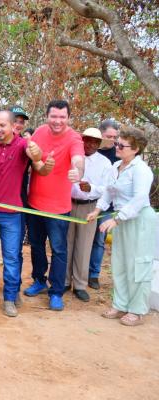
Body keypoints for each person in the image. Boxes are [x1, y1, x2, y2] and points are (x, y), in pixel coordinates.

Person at [0, 110, 50, 317]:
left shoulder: (23, 145)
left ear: (14, 126)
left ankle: (10, 298)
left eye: (2, 125)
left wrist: (38, 153)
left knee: (12, 258)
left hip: (12, 214)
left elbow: (37, 160)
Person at [87, 127, 156, 326]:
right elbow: (108, 192)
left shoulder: (141, 170)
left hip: (139, 219)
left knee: (138, 265)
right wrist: (98, 210)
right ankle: (120, 303)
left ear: (135, 149)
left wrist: (117, 219)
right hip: (121, 219)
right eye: (117, 142)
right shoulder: (116, 165)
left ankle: (137, 310)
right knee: (120, 263)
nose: (116, 147)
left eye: (121, 145)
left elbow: (140, 198)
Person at [23, 100, 85, 312]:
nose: (58, 121)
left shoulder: (74, 138)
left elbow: (78, 159)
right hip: (35, 204)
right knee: (37, 246)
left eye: (62, 117)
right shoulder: (40, 132)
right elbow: (33, 157)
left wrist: (78, 171)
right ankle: (39, 280)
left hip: (59, 208)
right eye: (54, 116)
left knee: (58, 250)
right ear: (47, 116)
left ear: (68, 118)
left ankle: (56, 291)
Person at [65, 128, 112, 302]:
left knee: (84, 246)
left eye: (95, 142)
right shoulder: (72, 156)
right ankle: (64, 280)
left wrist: (91, 188)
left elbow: (107, 189)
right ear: (82, 140)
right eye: (88, 140)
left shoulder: (105, 163)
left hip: (90, 207)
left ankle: (79, 285)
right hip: (68, 204)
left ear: (99, 144)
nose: (91, 144)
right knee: (66, 243)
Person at [88, 119, 120, 289]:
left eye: (115, 137)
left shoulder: (118, 153)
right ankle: (79, 271)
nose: (113, 140)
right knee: (83, 240)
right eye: (109, 136)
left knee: (99, 240)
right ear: (101, 134)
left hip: (108, 205)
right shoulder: (89, 148)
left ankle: (93, 274)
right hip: (88, 201)